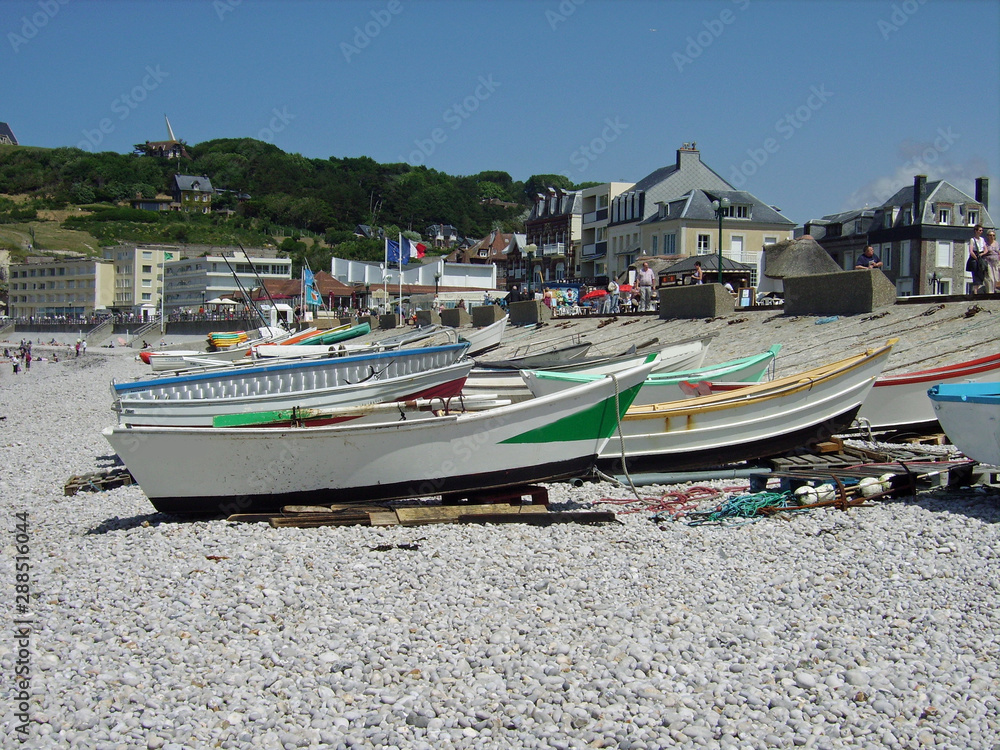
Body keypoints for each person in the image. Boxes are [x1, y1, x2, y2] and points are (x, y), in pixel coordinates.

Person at [967, 224, 989, 293]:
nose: (981, 232)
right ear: (976, 231)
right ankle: (975, 292)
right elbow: (971, 251)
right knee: (975, 275)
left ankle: (979, 290)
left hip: (981, 256)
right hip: (975, 258)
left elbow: (986, 249)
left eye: (982, 230)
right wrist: (976, 258)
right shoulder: (972, 240)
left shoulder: (982, 239)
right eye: (980, 230)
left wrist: (982, 254)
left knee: (981, 274)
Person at [984, 229, 999, 294]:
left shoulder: (996, 243)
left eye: (993, 235)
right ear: (987, 236)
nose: (992, 237)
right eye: (990, 235)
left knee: (996, 278)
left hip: (995, 262)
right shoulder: (985, 243)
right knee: (990, 278)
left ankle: (993, 290)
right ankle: (990, 292)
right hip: (988, 262)